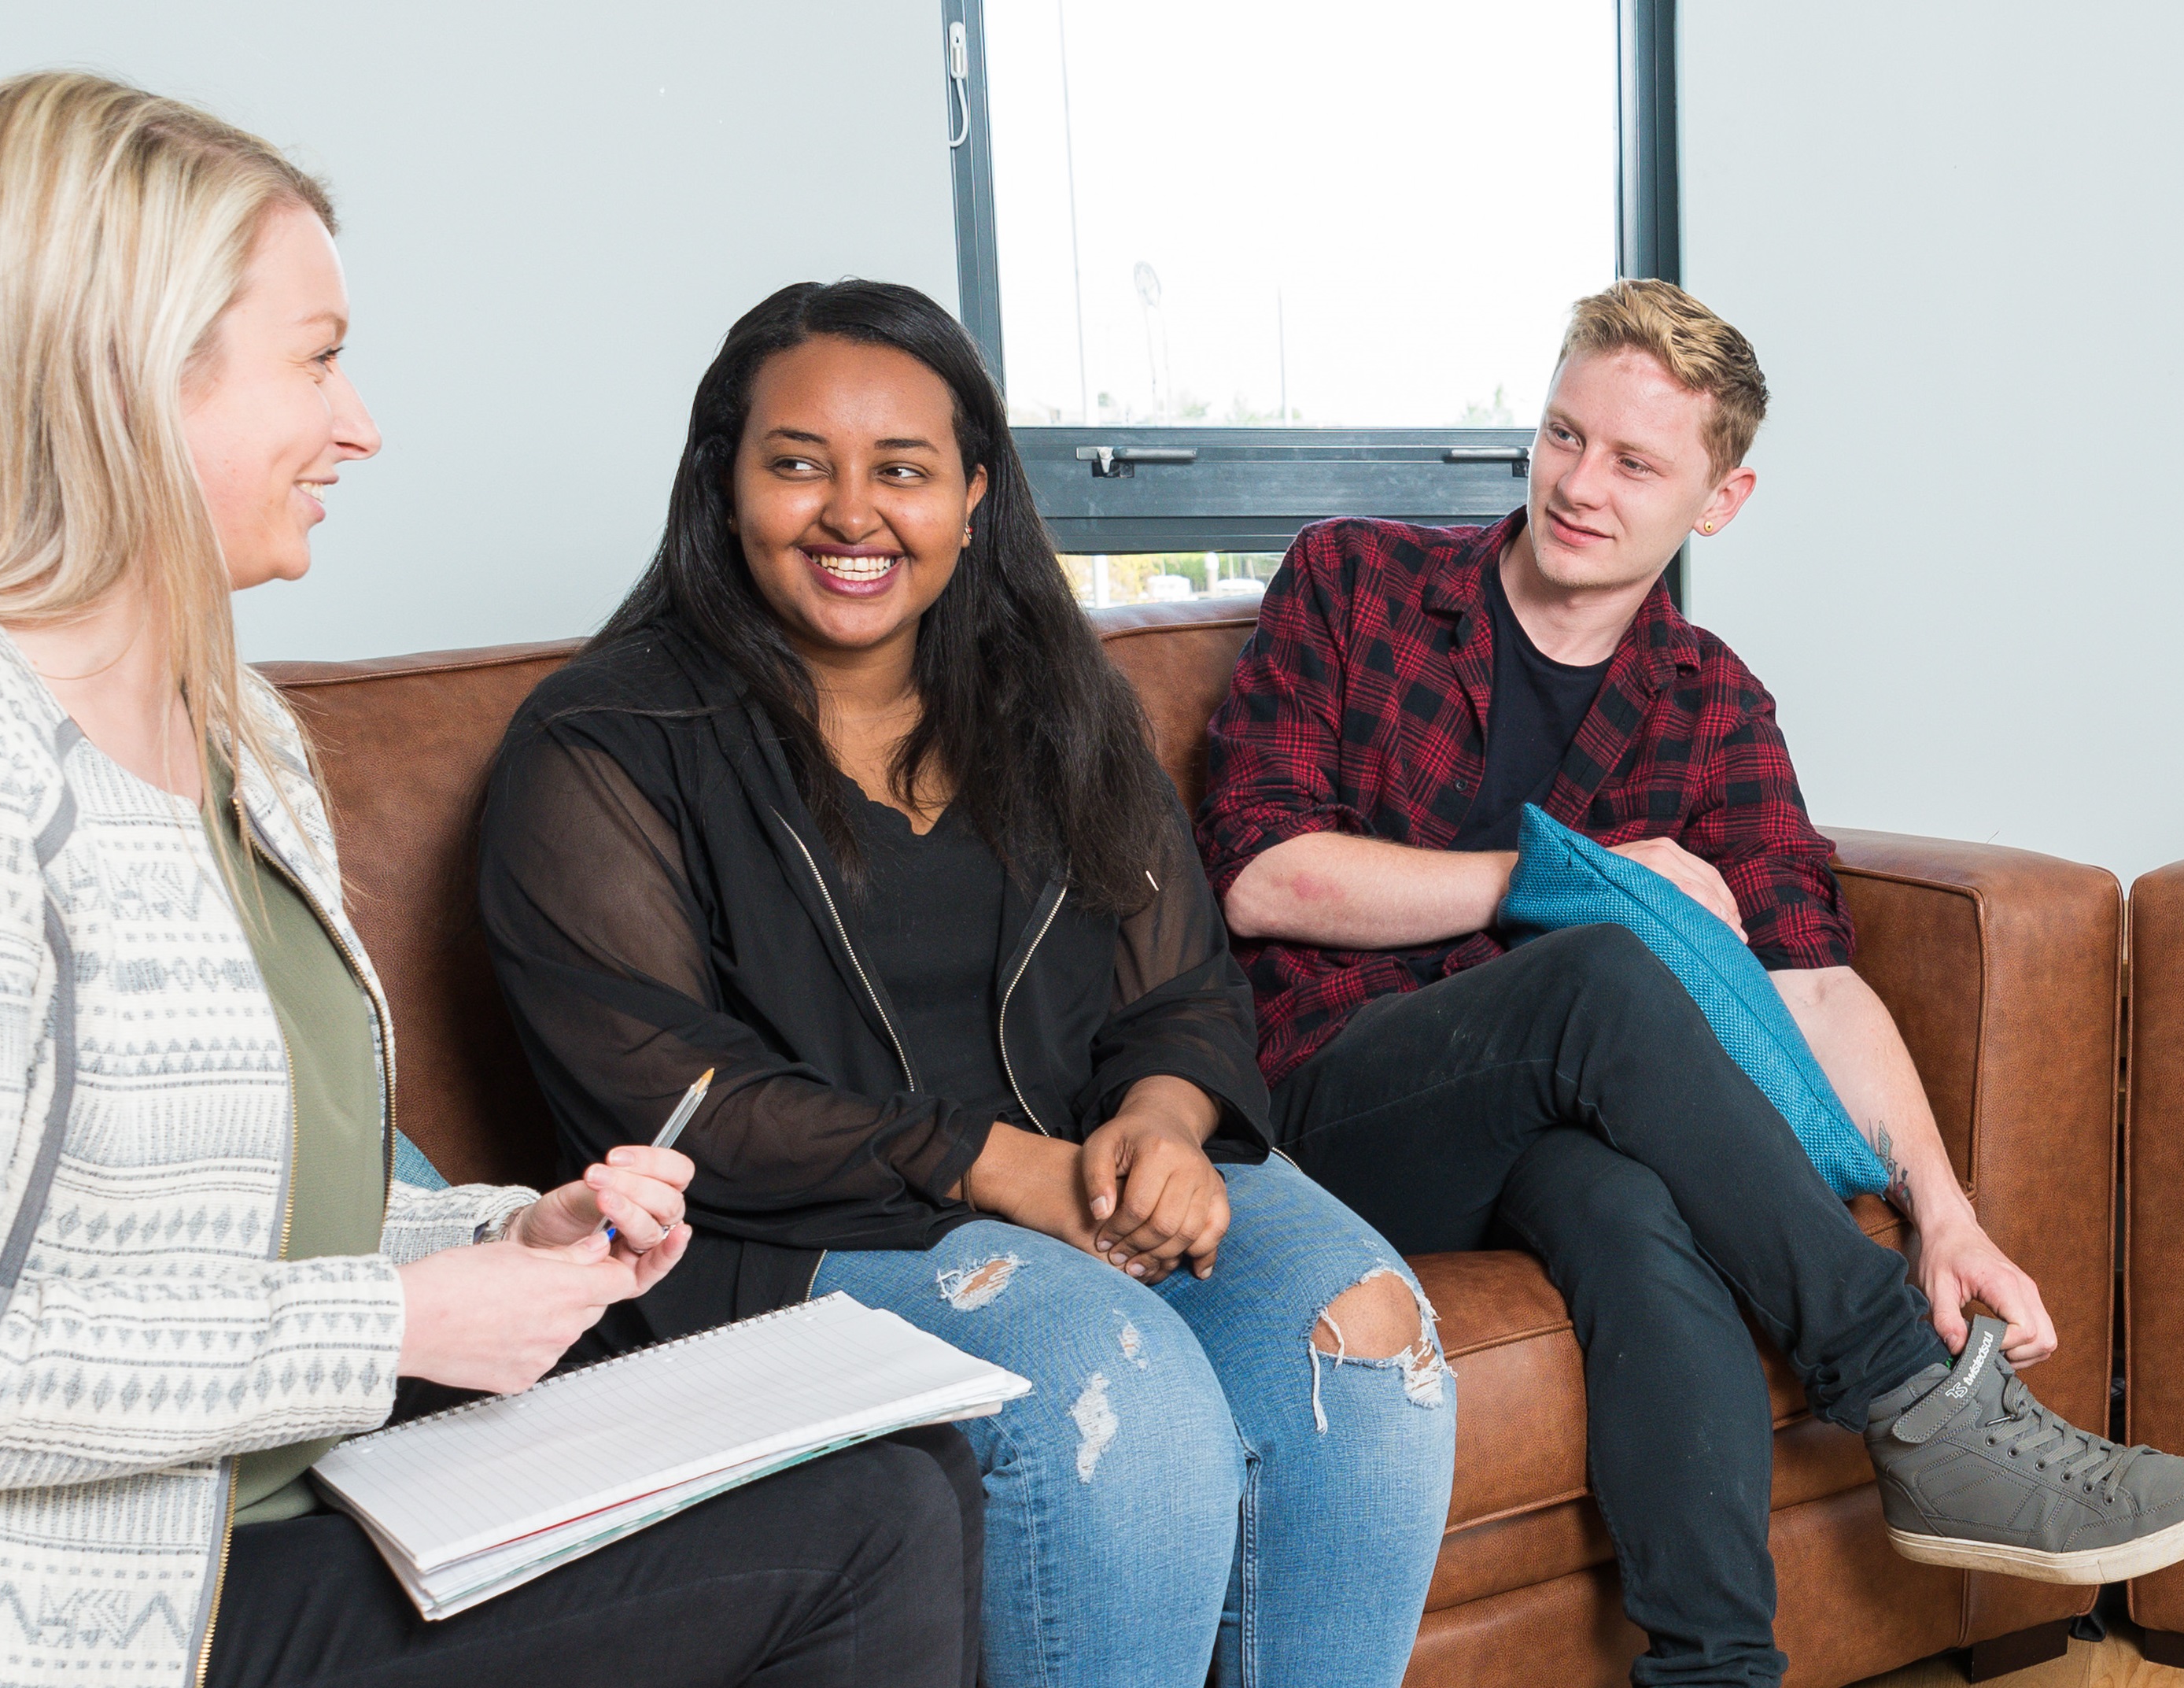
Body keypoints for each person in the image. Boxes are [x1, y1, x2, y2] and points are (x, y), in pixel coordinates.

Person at [0, 73, 979, 1688]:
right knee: (866, 1529)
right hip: (36, 1617)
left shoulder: (230, 727)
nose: (362, 423)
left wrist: (505, 1236)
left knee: (898, 1472)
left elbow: (238, 1203)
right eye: (318, 358)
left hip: (257, 1511)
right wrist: (398, 1329)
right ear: (126, 378)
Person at [1197, 277, 2184, 1686]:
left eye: (1633, 462)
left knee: (1628, 1206)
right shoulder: (1354, 581)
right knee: (1603, 961)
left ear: (1719, 497)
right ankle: (1919, 1404)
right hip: (1334, 1107)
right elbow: (1261, 871)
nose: (1578, 484)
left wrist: (1942, 1213)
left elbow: (1810, 979)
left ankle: (1715, 1671)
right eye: (1563, 435)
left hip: (1550, 1135)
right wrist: (1564, 873)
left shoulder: (1710, 699)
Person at [478, 279, 1456, 1687]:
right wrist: (1002, 1169)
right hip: (794, 1233)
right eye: (798, 462)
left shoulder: (1061, 703)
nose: (851, 513)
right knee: (1120, 1389)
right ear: (722, 477)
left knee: (1366, 1340)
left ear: (976, 493)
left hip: (1081, 1169)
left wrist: (1168, 1123)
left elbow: (1178, 987)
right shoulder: (602, 744)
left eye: (903, 470)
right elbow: (673, 1099)